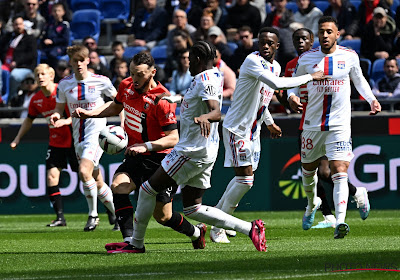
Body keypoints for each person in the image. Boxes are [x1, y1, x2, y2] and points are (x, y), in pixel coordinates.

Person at [125, 41, 268, 253]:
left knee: (147, 189)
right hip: (205, 150)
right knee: (193, 207)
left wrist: (205, 116)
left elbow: (216, 111)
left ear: (198, 60)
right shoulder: (213, 75)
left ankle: (135, 244)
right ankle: (250, 228)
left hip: (191, 151)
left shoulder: (205, 78)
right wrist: (173, 98)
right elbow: (197, 99)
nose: (188, 64)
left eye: (190, 60)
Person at [72, 51, 207, 253]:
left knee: (163, 216)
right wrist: (90, 113)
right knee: (118, 186)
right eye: (133, 73)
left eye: (140, 75)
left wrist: (147, 145)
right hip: (135, 155)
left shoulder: (163, 99)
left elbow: (173, 138)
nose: (135, 79)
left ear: (152, 72)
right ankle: (130, 241)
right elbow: (115, 107)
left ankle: (196, 233)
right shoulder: (126, 86)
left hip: (161, 159)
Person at [209, 27, 324, 243]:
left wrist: (269, 122)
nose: (265, 46)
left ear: (277, 46)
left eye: (270, 43)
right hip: (237, 128)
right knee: (245, 180)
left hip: (254, 131)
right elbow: (277, 84)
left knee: (243, 179)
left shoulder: (276, 66)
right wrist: (310, 76)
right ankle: (218, 227)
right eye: (262, 42)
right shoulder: (252, 61)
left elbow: (264, 97)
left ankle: (217, 216)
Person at [287, 16, 381, 239]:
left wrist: (372, 99)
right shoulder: (307, 58)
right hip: (311, 125)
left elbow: (359, 81)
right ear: (317, 35)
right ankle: (312, 205)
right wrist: (291, 97)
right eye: (322, 32)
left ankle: (340, 221)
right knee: (309, 175)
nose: (325, 35)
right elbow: (293, 84)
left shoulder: (349, 56)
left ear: (338, 34)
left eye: (330, 31)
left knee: (339, 171)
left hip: (339, 125)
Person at [50, 45, 119, 232]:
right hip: (77, 136)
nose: (79, 63)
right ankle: (119, 215)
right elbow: (58, 108)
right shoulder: (64, 84)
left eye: (82, 60)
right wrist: (56, 116)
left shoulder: (102, 81)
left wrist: (123, 124)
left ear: (88, 60)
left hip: (96, 133)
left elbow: (119, 102)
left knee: (83, 171)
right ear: (71, 62)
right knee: (96, 180)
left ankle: (93, 215)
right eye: (75, 60)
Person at [10, 64, 78, 227]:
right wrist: (17, 138)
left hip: (75, 141)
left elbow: (76, 116)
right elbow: (29, 119)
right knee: (51, 177)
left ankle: (111, 213)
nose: (40, 77)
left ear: (51, 76)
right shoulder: (36, 99)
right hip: (56, 142)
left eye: (43, 74)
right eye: (37, 75)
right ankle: (60, 218)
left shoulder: (62, 93)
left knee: (88, 177)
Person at [0, 16, 37, 104]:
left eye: (20, 24)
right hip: (5, 65)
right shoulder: (7, 37)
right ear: (13, 25)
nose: (18, 26)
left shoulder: (30, 38)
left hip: (23, 67)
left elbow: (31, 54)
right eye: (16, 24)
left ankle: (8, 101)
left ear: (23, 25)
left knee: (14, 76)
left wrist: (17, 62)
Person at [40, 3, 70, 69]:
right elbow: (45, 36)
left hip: (60, 47)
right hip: (48, 47)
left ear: (63, 12)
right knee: (40, 54)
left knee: (52, 54)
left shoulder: (65, 25)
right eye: (55, 11)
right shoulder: (49, 25)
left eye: (59, 11)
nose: (57, 13)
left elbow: (65, 39)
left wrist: (53, 41)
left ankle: (54, 72)